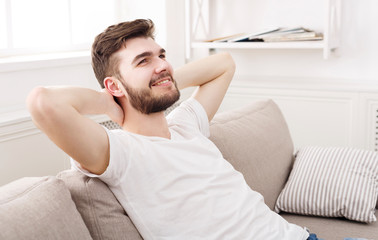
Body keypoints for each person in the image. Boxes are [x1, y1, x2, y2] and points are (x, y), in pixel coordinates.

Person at [27, 19, 314, 240]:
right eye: (144, 60)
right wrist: (109, 103)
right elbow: (43, 103)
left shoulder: (186, 124)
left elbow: (224, 64)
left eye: (161, 56)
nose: (162, 65)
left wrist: (162, 81)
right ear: (114, 85)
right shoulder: (120, 152)